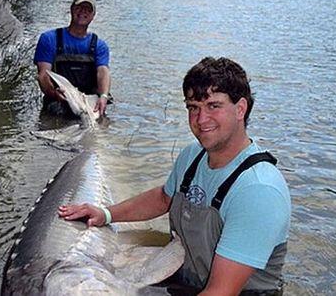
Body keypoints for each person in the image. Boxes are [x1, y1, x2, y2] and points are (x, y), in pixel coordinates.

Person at [58, 57, 291, 295]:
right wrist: (106, 214)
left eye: (213, 106)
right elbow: (163, 198)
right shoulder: (193, 156)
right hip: (187, 282)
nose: (201, 120)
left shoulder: (259, 190)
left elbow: (221, 292)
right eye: (193, 107)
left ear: (240, 109)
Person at [34, 0, 111, 117]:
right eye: (79, 8)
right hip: (58, 99)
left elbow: (103, 71)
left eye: (87, 9)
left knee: (100, 123)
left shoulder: (100, 45)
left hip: (89, 101)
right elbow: (43, 75)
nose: (82, 12)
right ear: (71, 10)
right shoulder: (49, 38)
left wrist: (103, 96)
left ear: (93, 16)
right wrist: (53, 93)